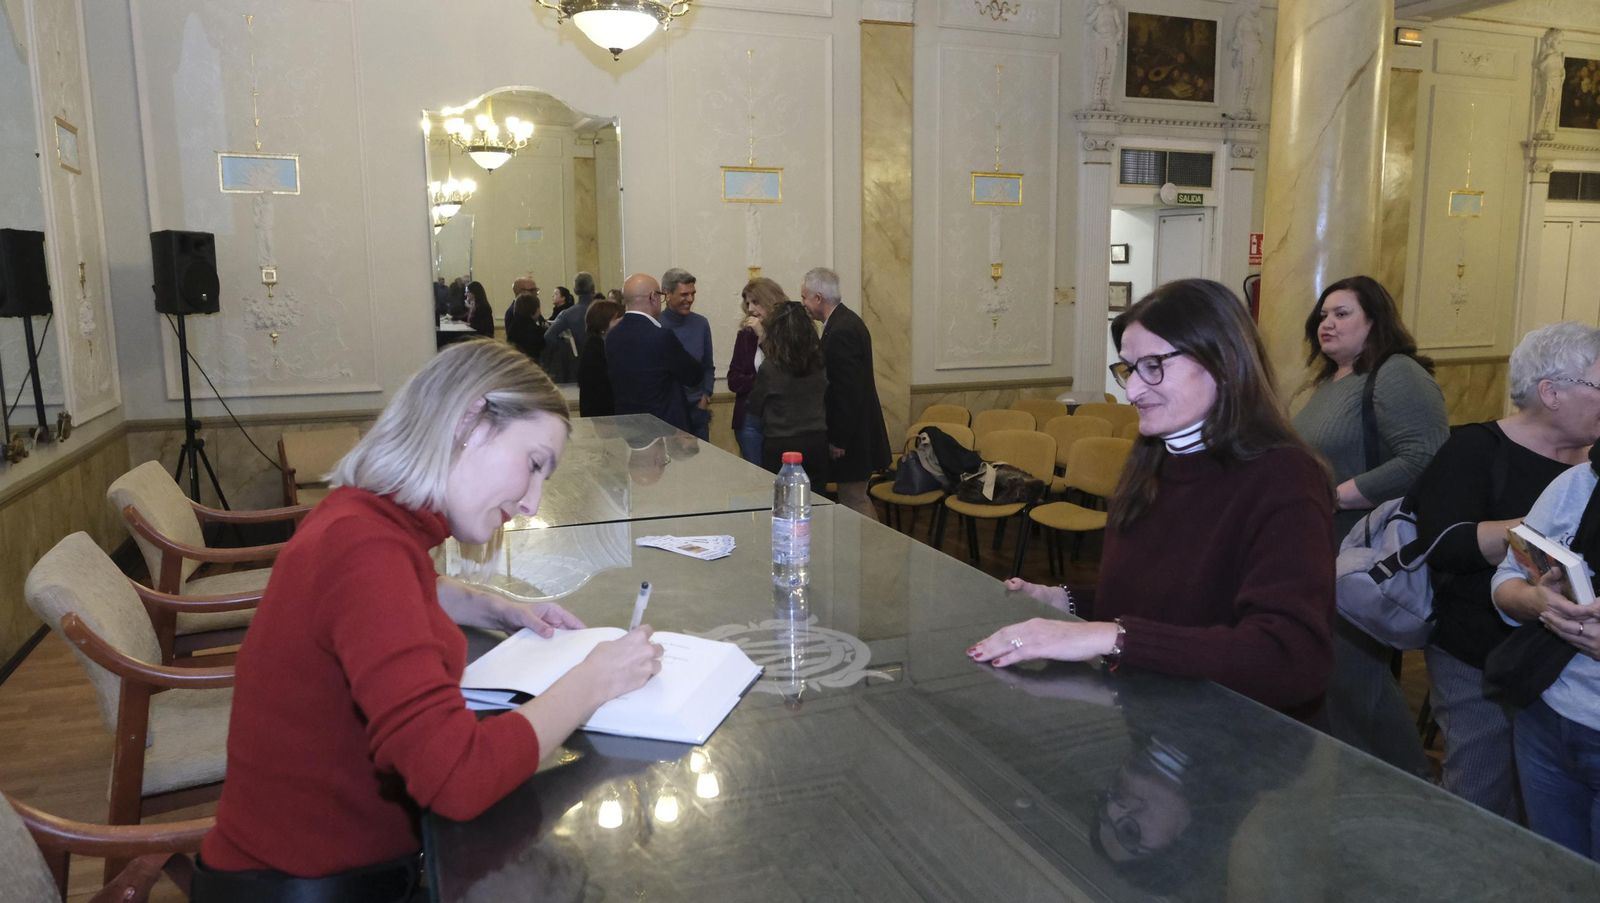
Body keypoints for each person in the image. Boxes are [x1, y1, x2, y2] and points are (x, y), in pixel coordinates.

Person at [196, 340, 662, 898]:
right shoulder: (364, 548)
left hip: (328, 864)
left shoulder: (364, 521)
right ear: (470, 419)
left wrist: (491, 604)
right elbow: (457, 778)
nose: (533, 502)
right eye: (534, 465)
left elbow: (399, 589)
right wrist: (593, 680)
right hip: (316, 883)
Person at [968, 279, 1336, 717]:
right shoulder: (1152, 461)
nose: (1133, 391)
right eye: (1128, 368)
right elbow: (1167, 607)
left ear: (1221, 360)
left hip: (1238, 737)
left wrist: (1111, 637)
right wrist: (1067, 602)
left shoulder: (1284, 477)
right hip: (1152, 715)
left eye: (1154, 365)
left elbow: (1290, 658)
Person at [1410, 322, 1600, 822]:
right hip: (1477, 650)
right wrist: (1543, 531)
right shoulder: (1474, 449)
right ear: (1552, 392)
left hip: (1559, 669)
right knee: (1479, 793)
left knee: (1539, 805)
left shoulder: (1589, 467)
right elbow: (1443, 543)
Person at [1293, 274, 1448, 774]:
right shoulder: (1331, 380)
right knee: (1332, 672)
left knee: (1354, 675)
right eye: (1323, 315)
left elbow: (1426, 457)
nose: (1327, 323)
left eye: (1342, 314)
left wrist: (1337, 496)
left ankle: (1405, 786)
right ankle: (1360, 780)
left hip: (1364, 547)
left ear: (1375, 320)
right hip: (1323, 541)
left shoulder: (1396, 372)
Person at [1491, 432, 1600, 860]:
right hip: (1545, 715)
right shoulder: (1576, 483)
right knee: (1554, 874)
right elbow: (1505, 581)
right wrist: (1536, 599)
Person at [799, 266, 890, 518]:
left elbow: (846, 391)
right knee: (852, 498)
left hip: (853, 438)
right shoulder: (842, 322)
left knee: (854, 500)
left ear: (818, 298)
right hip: (854, 434)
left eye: (804, 297)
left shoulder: (841, 331)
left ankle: (874, 553)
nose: (803, 303)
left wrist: (838, 439)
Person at [605, 273, 704, 433]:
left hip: (627, 426)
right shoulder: (661, 336)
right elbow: (693, 376)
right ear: (653, 297)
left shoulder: (612, 336)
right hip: (662, 428)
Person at [747, 300, 829, 487]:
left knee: (782, 504)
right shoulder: (819, 363)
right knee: (816, 500)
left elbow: (755, 408)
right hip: (816, 441)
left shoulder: (770, 367)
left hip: (780, 444)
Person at [728, 278, 785, 465]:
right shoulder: (745, 335)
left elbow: (785, 375)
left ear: (770, 301)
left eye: (756, 302)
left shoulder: (790, 333)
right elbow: (734, 380)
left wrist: (763, 336)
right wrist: (761, 382)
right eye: (747, 303)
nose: (751, 309)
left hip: (781, 419)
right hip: (749, 419)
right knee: (756, 479)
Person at [659, 268, 714, 441]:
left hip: (697, 410)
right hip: (667, 414)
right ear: (667, 294)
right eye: (684, 294)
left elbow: (708, 366)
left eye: (693, 294)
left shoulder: (701, 324)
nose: (690, 299)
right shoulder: (656, 325)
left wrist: (705, 397)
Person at [577, 298, 623, 417]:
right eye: (617, 319)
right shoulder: (595, 349)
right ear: (603, 323)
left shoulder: (598, 344)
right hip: (601, 414)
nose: (621, 322)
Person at [504, 280, 547, 363]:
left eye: (536, 290)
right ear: (521, 291)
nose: (536, 293)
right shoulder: (512, 312)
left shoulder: (522, 311)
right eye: (532, 290)